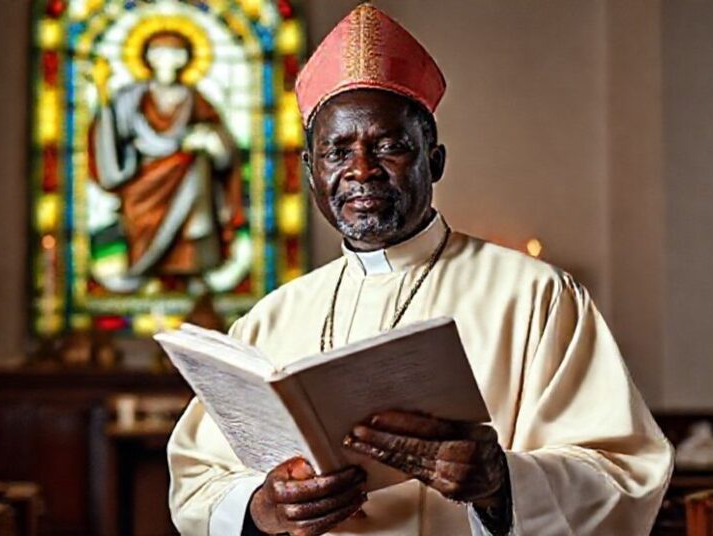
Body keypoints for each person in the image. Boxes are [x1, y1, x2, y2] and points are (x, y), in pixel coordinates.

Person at [167, 4, 672, 535]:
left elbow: (625, 473)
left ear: (434, 161)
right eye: (337, 152)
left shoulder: (536, 297)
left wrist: (505, 484)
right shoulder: (271, 320)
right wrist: (261, 508)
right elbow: (197, 481)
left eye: (389, 147)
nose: (361, 170)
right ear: (311, 174)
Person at [88, 30, 242, 292]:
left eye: (175, 54)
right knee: (143, 221)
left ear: (185, 59)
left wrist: (207, 139)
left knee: (197, 176)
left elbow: (223, 142)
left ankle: (194, 273)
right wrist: (105, 111)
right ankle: (140, 269)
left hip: (188, 175)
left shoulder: (195, 99)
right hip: (143, 179)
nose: (167, 60)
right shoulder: (130, 98)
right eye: (160, 54)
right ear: (148, 59)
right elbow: (113, 135)